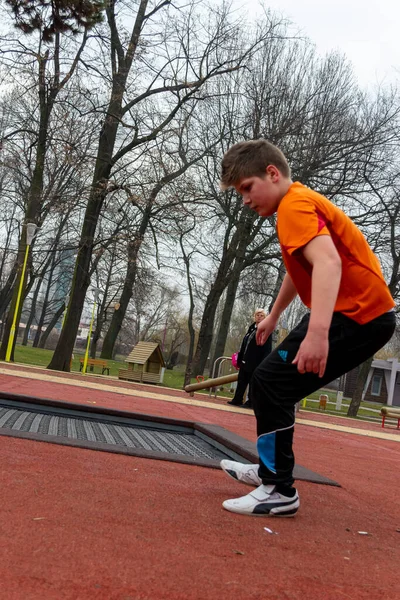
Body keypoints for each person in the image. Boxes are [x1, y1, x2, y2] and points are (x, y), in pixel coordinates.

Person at [218, 139, 396, 517]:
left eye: (247, 188)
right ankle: (273, 473)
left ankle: (278, 489)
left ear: (272, 173)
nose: (245, 200)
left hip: (357, 316)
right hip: (355, 314)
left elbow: (328, 264)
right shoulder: (297, 203)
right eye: (238, 194)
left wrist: (317, 334)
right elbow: (301, 270)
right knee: (271, 383)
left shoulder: (294, 206)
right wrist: (275, 315)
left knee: (269, 383)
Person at [227, 309, 272, 408]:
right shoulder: (251, 328)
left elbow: (267, 349)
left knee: (253, 382)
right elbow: (244, 345)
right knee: (242, 380)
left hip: (256, 361)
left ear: (264, 318)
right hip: (245, 360)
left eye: (261, 315)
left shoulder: (266, 330)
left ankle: (251, 402)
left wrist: (263, 363)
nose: (259, 317)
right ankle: (237, 399)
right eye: (257, 315)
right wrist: (239, 360)